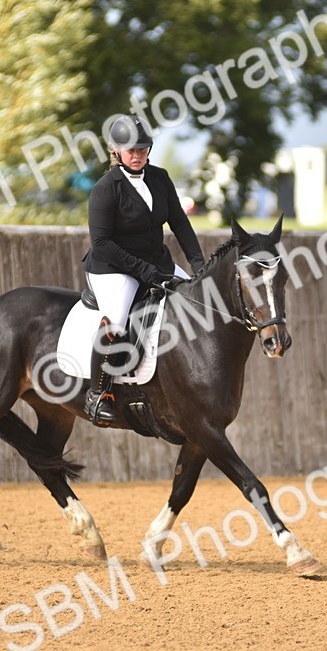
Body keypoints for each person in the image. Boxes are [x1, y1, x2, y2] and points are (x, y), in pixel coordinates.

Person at [81, 115, 205, 426]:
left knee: (197, 303)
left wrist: (199, 264)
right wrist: (142, 270)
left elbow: (179, 222)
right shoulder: (106, 189)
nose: (137, 155)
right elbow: (101, 243)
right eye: (131, 150)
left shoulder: (160, 178)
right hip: (113, 267)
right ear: (116, 151)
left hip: (156, 263)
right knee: (118, 322)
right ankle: (98, 394)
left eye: (143, 149)